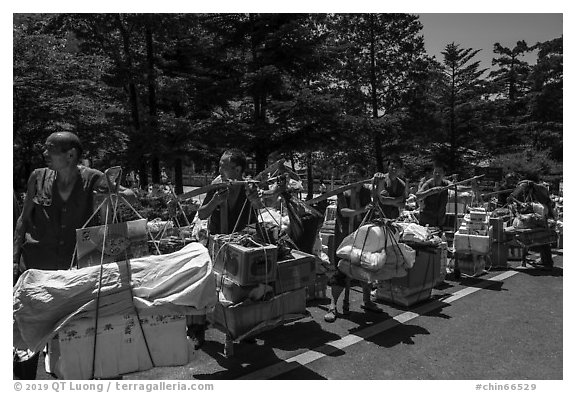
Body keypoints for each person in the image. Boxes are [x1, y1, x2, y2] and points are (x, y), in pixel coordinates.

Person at [12, 131, 135, 378]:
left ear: (70, 155)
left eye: (50, 149)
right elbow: (24, 219)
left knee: (73, 332)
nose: (44, 153)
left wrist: (115, 193)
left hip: (73, 274)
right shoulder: (38, 178)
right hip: (37, 268)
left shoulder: (93, 179)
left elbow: (129, 195)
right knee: (25, 334)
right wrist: (14, 256)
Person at [193, 149, 264, 348]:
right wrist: (215, 201)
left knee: (243, 288)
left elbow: (260, 207)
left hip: (242, 244)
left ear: (237, 168)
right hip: (217, 243)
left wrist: (254, 199)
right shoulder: (216, 186)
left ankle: (243, 327)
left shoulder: (248, 186)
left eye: (223, 165)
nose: (219, 168)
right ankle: (198, 329)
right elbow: (202, 214)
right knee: (206, 285)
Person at [324, 164, 382, 323]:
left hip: (362, 235)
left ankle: (367, 301)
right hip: (345, 237)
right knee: (342, 269)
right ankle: (333, 304)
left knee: (364, 266)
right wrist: (361, 210)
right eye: (351, 175)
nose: (353, 178)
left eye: (357, 175)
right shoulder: (343, 191)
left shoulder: (366, 191)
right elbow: (343, 211)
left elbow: (376, 201)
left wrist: (378, 182)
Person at [507, 173, 556, 270]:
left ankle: (543, 261)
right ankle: (546, 261)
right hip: (545, 215)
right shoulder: (541, 188)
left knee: (535, 238)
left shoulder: (526, 184)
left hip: (540, 215)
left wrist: (511, 198)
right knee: (543, 238)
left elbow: (515, 194)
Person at [416, 161, 452, 228]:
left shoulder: (446, 183)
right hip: (426, 221)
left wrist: (471, 187)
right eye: (435, 172)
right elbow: (418, 196)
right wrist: (430, 191)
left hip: (440, 221)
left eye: (440, 172)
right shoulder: (428, 183)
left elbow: (456, 187)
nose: (437, 174)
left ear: (444, 173)